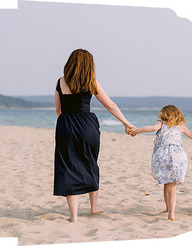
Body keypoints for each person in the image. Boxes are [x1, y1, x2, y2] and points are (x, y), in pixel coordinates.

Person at [54, 49, 136, 222]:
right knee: (91, 163)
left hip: (65, 126)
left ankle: (73, 216)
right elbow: (110, 105)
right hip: (87, 126)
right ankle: (94, 206)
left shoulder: (60, 82)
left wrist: (68, 125)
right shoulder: (91, 82)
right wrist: (126, 123)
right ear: (89, 65)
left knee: (68, 166)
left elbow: (58, 110)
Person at [129, 105, 192, 221]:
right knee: (172, 186)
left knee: (166, 183)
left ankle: (168, 210)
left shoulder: (161, 123)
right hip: (177, 157)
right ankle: (171, 212)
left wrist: (137, 131)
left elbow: (152, 128)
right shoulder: (180, 126)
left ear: (164, 114)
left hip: (162, 156)